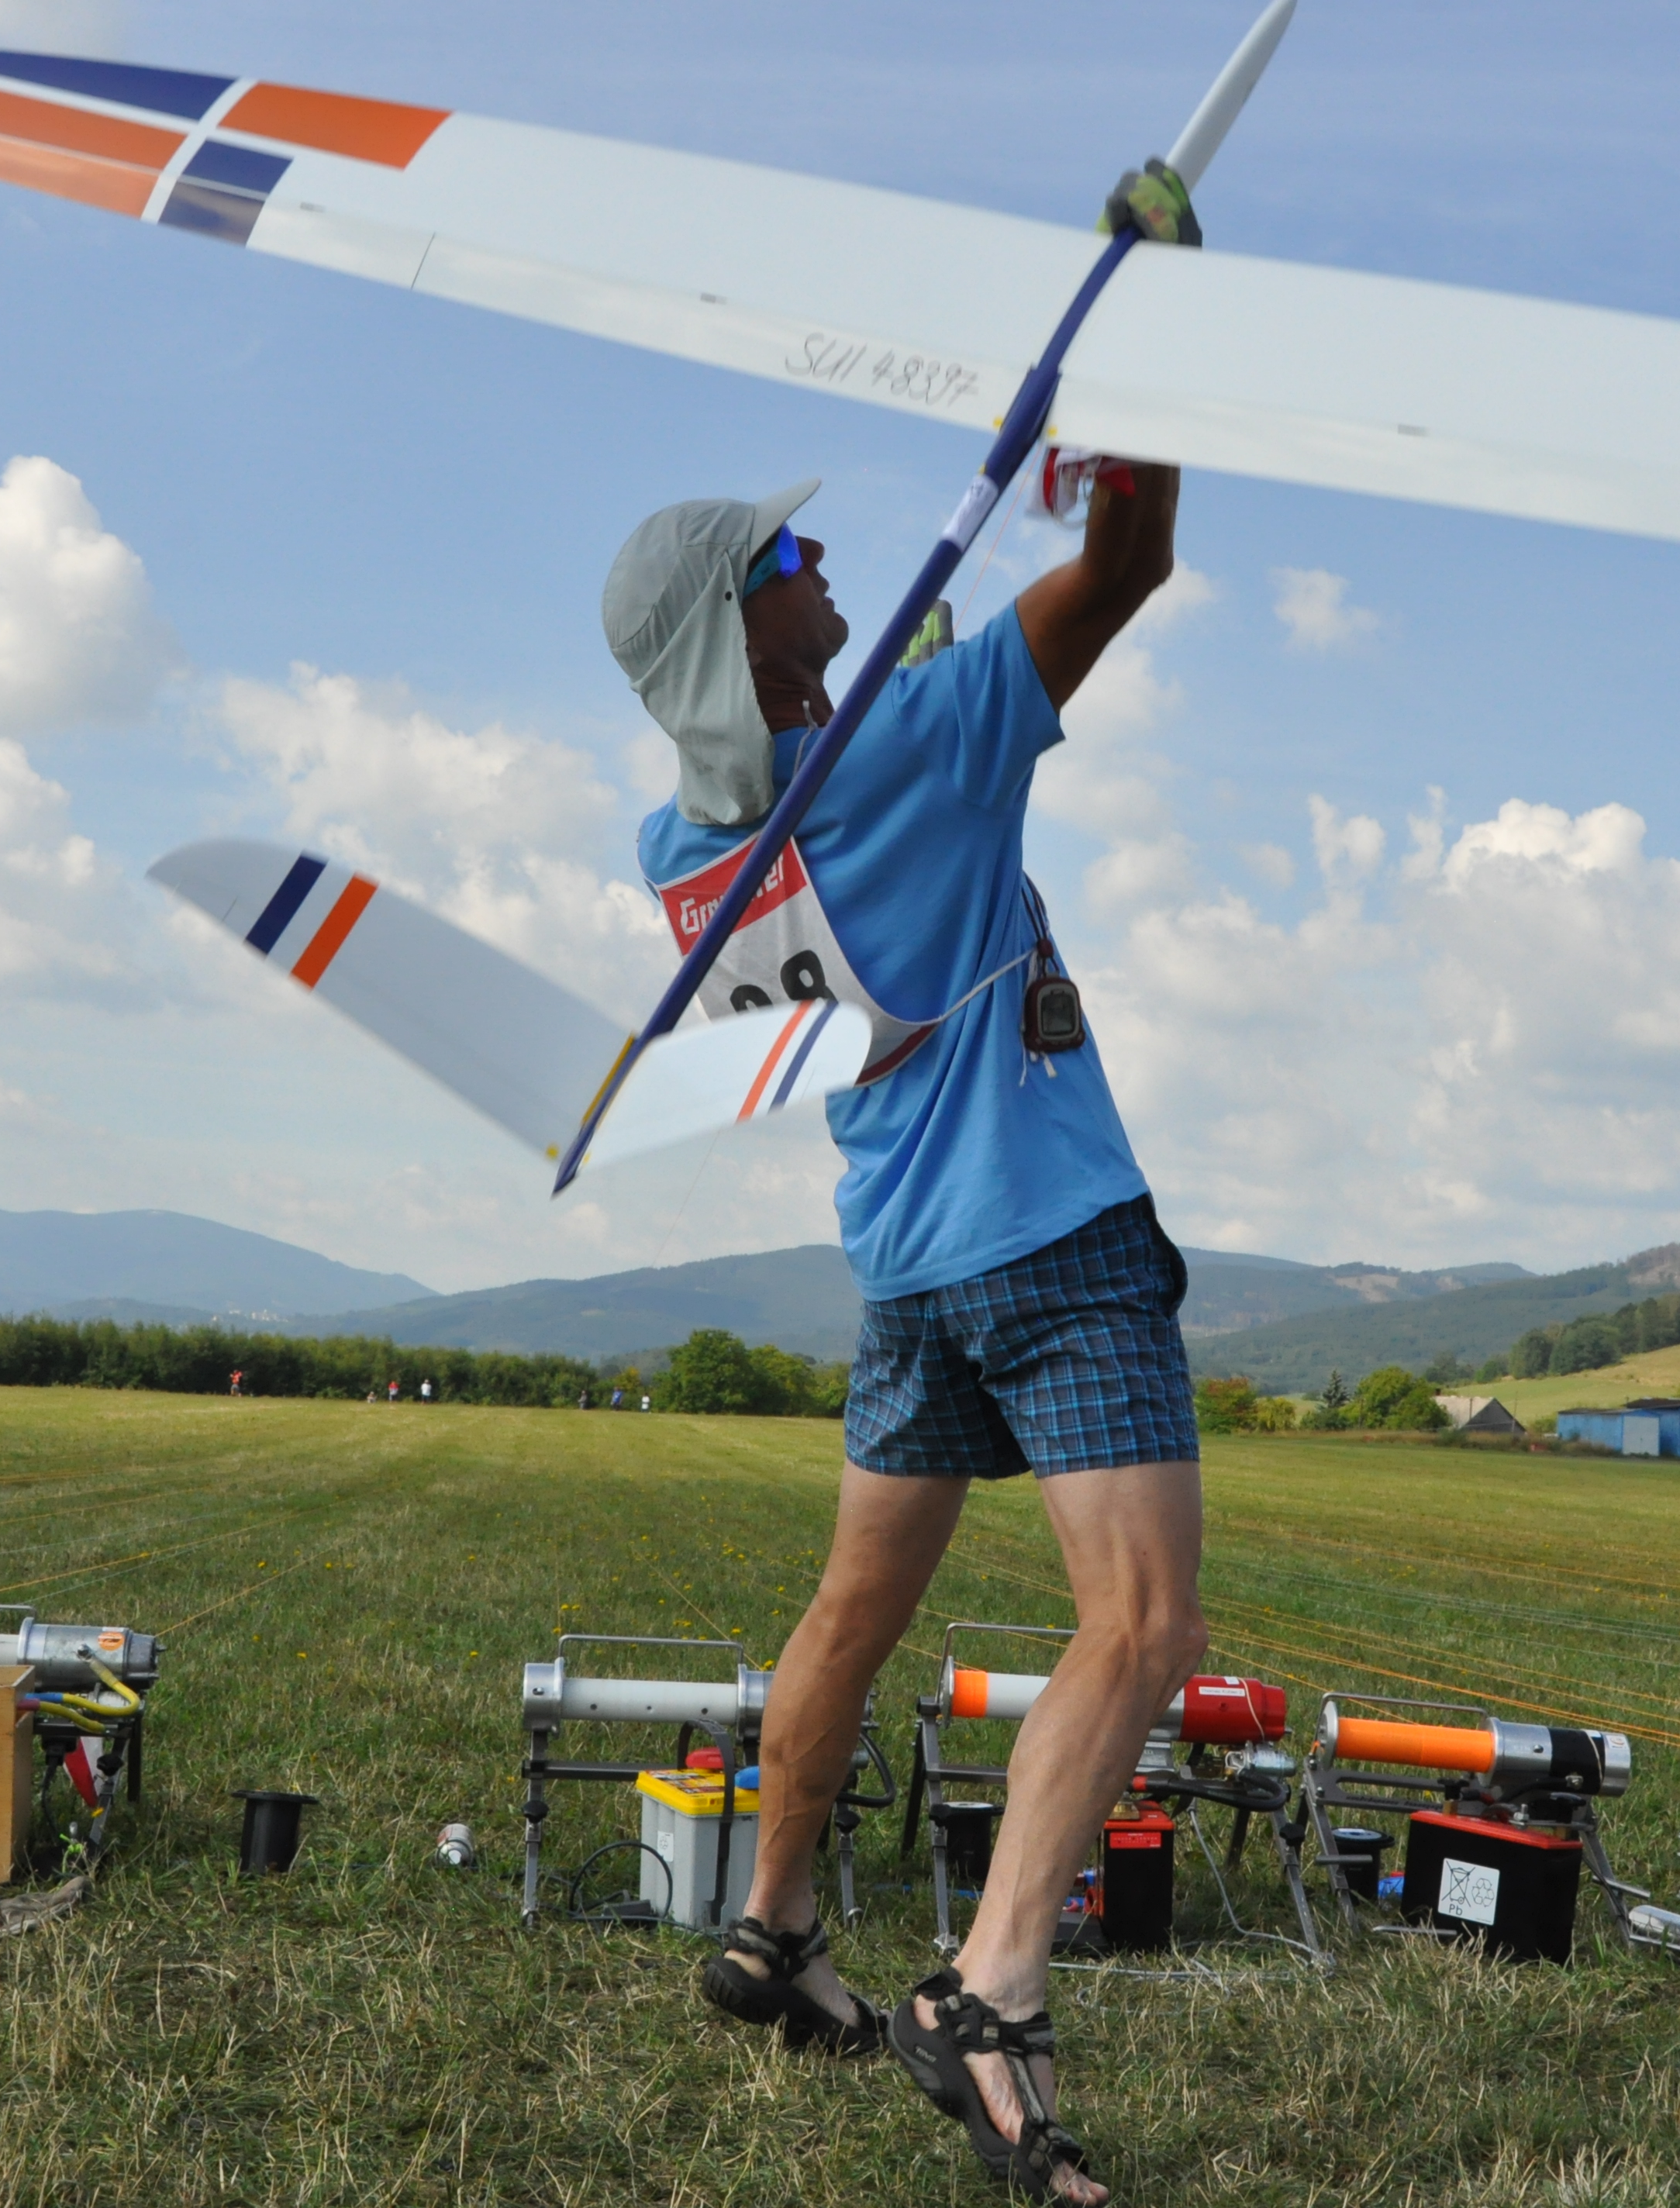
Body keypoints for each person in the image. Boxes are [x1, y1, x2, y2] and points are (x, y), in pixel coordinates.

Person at [598, 170, 1209, 2208]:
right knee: (1135, 1622)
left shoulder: (685, 858)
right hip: (1051, 1243)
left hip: (901, 1267)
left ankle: (771, 1931)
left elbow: (787, 794)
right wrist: (1154, 347)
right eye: (790, 553)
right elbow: (1128, 554)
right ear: (743, 626)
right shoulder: (931, 732)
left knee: (855, 1609)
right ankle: (992, 1994)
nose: (829, 551)